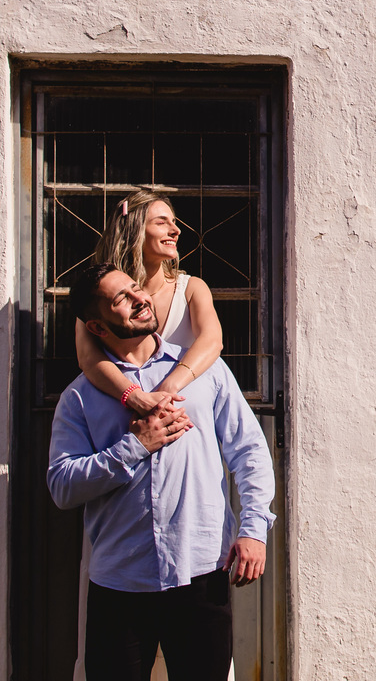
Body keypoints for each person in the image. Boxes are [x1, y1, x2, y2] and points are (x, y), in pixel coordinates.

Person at [48, 262, 275, 681]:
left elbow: (250, 451)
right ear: (97, 328)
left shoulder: (203, 373)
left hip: (202, 572)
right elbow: (62, 486)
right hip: (120, 584)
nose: (139, 298)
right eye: (121, 298)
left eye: (136, 288)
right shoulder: (79, 398)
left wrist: (253, 529)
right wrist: (135, 446)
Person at [76, 190, 224, 418]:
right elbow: (88, 358)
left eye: (174, 222)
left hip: (185, 412)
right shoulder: (99, 296)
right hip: (122, 419)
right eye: (161, 223)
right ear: (134, 231)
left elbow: (212, 342)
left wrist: (168, 389)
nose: (176, 230)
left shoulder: (192, 289)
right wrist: (134, 397)